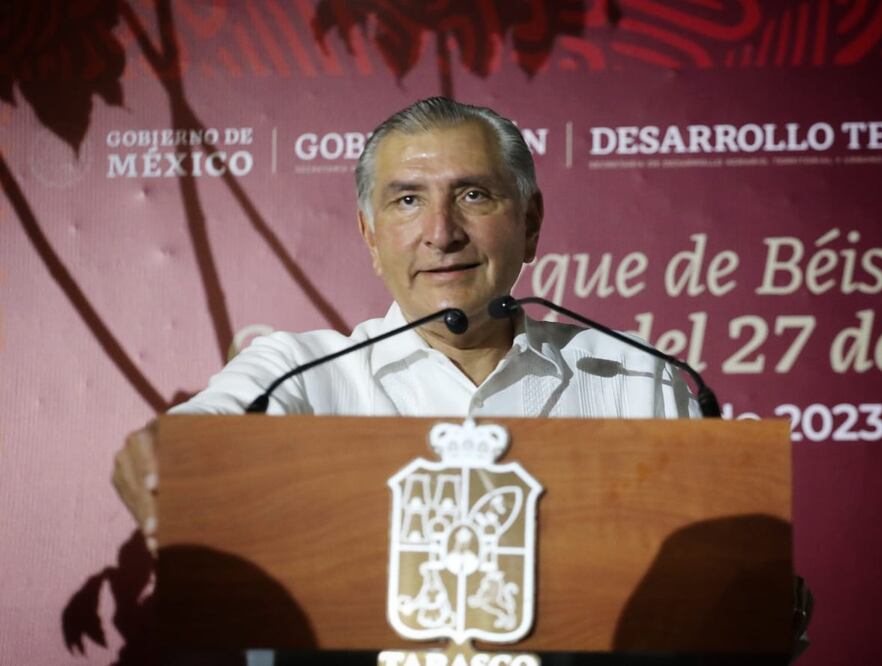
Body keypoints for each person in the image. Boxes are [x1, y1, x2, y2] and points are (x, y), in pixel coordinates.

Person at [113, 97, 698, 550]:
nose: (442, 234)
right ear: (371, 237)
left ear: (530, 223)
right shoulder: (298, 373)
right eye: (408, 201)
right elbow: (198, 437)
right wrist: (170, 459)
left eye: (473, 195)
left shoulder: (633, 374)